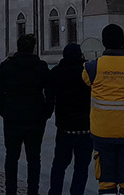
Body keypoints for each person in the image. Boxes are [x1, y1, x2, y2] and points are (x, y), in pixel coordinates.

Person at [83, 24, 124, 195]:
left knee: (106, 183)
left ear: (104, 43)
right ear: (123, 42)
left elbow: (85, 80)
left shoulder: (92, 68)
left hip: (102, 133)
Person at [0, 34, 52, 195]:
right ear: (33, 48)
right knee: (34, 158)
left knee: (11, 157)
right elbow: (50, 92)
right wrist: (46, 112)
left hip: (13, 118)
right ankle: (33, 190)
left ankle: (10, 190)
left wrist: (5, 111)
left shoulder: (7, 66)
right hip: (35, 119)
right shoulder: (41, 66)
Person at [46, 43, 93, 195]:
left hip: (64, 127)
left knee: (59, 165)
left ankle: (55, 192)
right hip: (85, 128)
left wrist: (47, 113)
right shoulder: (87, 73)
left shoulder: (56, 72)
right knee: (81, 167)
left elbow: (49, 96)